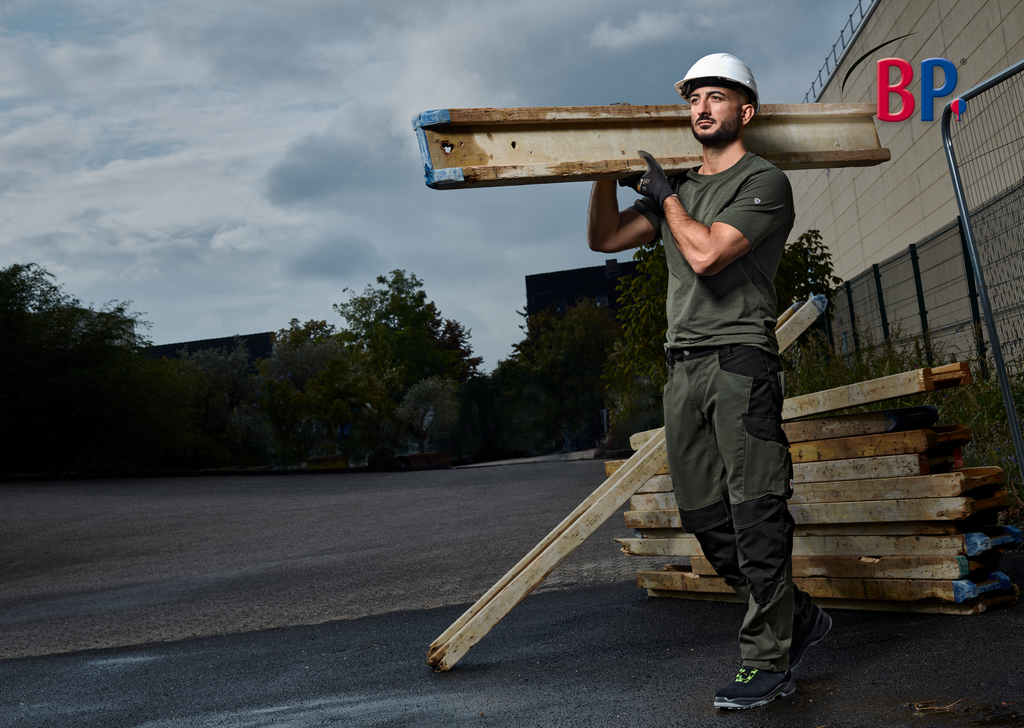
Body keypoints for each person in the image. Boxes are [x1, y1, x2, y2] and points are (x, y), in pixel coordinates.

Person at [586, 53, 832, 710]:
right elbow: (604, 239)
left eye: (716, 96)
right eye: (694, 98)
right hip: (682, 365)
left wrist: (664, 194)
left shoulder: (764, 182)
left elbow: (705, 253)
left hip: (738, 360)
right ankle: (798, 617)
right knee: (704, 515)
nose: (701, 107)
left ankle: (768, 662)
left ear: (744, 112)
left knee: (756, 511)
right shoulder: (683, 192)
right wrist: (599, 175)